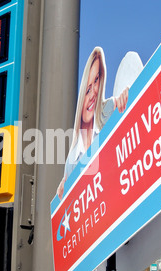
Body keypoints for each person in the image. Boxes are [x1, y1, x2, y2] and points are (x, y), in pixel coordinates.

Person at [57, 47, 129, 199]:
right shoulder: (72, 160)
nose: (93, 92)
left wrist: (128, 95)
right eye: (88, 89)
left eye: (96, 80)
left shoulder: (109, 108)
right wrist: (64, 185)